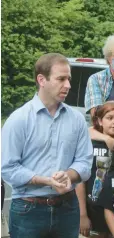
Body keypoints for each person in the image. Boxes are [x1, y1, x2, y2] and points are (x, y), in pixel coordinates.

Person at [1, 53, 93, 238]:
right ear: (41, 80)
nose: (68, 85)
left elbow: (85, 161)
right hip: (28, 209)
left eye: (69, 79)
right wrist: (45, 180)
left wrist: (68, 175)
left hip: (68, 207)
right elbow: (7, 168)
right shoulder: (19, 119)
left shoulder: (77, 119)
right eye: (61, 79)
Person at [76, 101, 114, 238]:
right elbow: (80, 181)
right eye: (110, 118)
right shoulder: (89, 144)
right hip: (93, 210)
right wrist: (82, 214)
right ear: (100, 121)